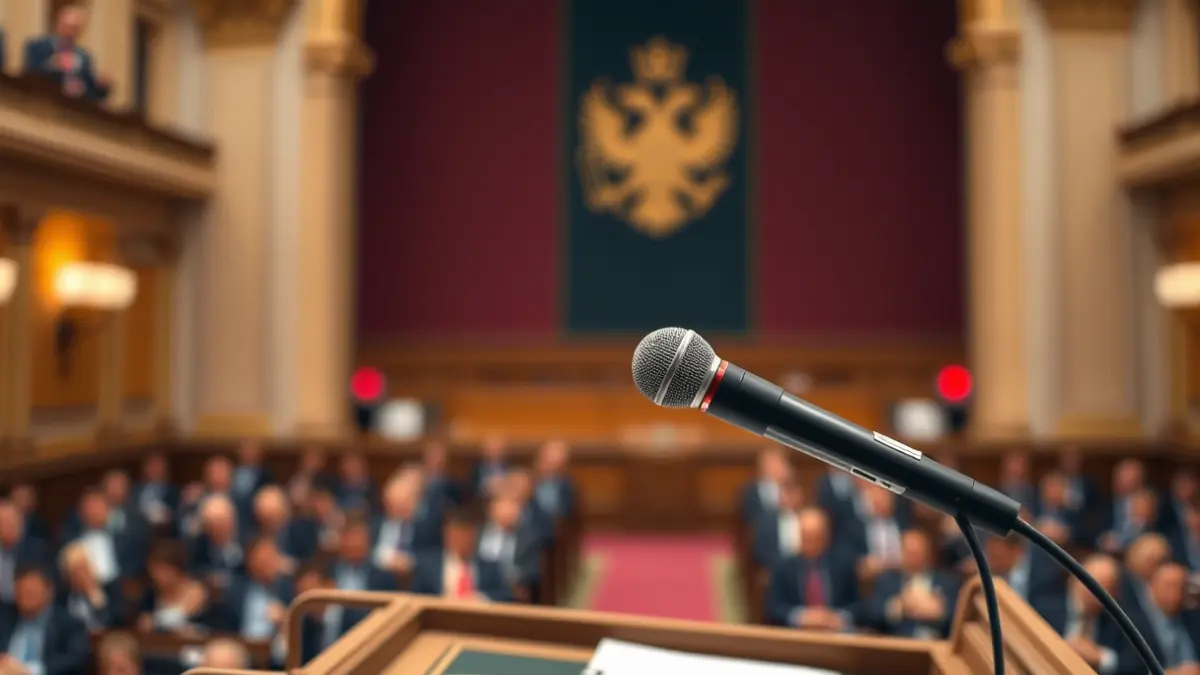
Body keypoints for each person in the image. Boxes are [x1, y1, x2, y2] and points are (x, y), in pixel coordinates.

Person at [1040, 555, 1144, 675]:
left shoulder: (1117, 622)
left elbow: (1135, 667)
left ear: (1114, 594)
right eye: (1090, 583)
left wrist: (1101, 657)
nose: (1093, 593)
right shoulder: (1044, 609)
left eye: (1105, 588)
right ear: (1075, 578)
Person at [764, 508, 859, 631]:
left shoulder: (842, 565)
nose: (811, 544)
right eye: (806, 538)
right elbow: (773, 607)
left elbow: (858, 606)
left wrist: (838, 617)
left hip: (835, 630)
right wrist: (801, 617)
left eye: (816, 538)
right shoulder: (783, 567)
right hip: (798, 634)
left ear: (826, 538)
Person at [863, 530, 959, 639]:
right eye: (909, 553)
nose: (913, 559)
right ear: (902, 553)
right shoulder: (887, 581)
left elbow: (956, 617)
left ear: (928, 553)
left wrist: (940, 612)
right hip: (898, 644)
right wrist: (899, 607)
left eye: (918, 553)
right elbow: (871, 614)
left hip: (935, 644)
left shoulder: (946, 582)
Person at [0, 566, 91, 675]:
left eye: (31, 591)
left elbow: (76, 659)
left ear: (48, 592)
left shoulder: (69, 624)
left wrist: (31, 671)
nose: (25, 597)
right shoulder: (5, 618)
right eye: (20, 591)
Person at [411, 507, 513, 601]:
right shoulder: (427, 565)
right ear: (448, 535)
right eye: (458, 535)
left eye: (467, 536)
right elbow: (416, 595)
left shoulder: (490, 567)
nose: (463, 541)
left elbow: (505, 594)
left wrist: (481, 598)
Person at [22, 5, 111, 101]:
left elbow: (92, 93)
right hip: (44, 102)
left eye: (75, 29)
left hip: (74, 108)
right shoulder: (38, 46)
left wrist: (102, 86)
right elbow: (29, 77)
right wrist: (52, 66)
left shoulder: (84, 58)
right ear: (58, 25)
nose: (69, 33)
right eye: (67, 27)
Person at [752, 477, 803, 568]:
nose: (790, 498)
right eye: (786, 493)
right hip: (775, 567)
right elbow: (760, 550)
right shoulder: (766, 521)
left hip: (803, 568)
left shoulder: (808, 518)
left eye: (793, 493)